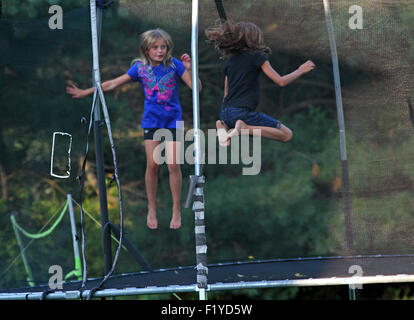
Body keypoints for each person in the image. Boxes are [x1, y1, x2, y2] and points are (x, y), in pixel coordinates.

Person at [66, 28, 201, 230]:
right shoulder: (139, 68)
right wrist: (87, 91)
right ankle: (152, 208)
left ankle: (176, 209)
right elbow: (112, 83)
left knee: (174, 165)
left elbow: (196, 88)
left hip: (173, 121)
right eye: (155, 47)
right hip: (152, 122)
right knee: (153, 165)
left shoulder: (175, 65)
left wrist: (190, 68)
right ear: (146, 49)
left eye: (163, 47)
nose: (160, 51)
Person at [205, 20, 315, 146]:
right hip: (241, 112)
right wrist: (300, 70)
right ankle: (243, 128)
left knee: (234, 135)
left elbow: (226, 92)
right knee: (286, 135)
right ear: (254, 38)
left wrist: (227, 117)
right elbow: (281, 81)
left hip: (226, 112)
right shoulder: (257, 57)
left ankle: (224, 126)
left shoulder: (229, 62)